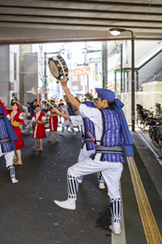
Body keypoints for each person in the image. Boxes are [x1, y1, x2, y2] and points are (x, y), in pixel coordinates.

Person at [54, 77, 133, 235]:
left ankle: (71, 200)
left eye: (98, 99)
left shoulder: (98, 114)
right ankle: (116, 225)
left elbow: (76, 105)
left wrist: (64, 86)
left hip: (102, 157)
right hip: (117, 160)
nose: (96, 101)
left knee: (72, 171)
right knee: (114, 194)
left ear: (104, 102)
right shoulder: (118, 115)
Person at [53, 99, 106, 189]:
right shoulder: (100, 116)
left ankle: (80, 178)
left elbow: (69, 117)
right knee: (99, 163)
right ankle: (101, 183)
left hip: (88, 144)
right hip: (100, 144)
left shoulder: (83, 118)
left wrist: (59, 112)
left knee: (81, 161)